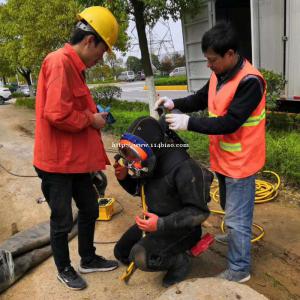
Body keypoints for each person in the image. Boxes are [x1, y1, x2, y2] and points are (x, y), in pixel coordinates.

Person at [155, 22, 266, 283]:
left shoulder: (250, 82)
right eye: (207, 60)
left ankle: (239, 270)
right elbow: (201, 98)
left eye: (212, 60)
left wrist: (189, 123)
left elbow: (230, 122)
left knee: (237, 217)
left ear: (230, 54)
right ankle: (236, 235)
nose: (209, 65)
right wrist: (175, 104)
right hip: (224, 158)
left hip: (241, 161)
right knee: (230, 207)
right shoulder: (220, 73)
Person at [33, 6, 119, 290]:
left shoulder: (74, 67)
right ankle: (64, 267)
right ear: (89, 41)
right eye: (102, 50)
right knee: (61, 220)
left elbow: (72, 107)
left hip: (75, 160)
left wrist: (94, 116)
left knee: (90, 208)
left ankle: (88, 258)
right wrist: (90, 119)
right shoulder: (59, 62)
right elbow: (56, 114)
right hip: (56, 163)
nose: (101, 57)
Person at [113, 116, 213, 287]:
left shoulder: (185, 168)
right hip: (154, 221)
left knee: (141, 256)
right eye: (126, 153)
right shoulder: (151, 160)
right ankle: (157, 248)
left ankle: (180, 262)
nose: (130, 161)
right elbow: (141, 192)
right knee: (121, 252)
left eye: (133, 155)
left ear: (152, 148)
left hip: (183, 228)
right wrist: (124, 178)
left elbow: (199, 212)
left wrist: (160, 224)